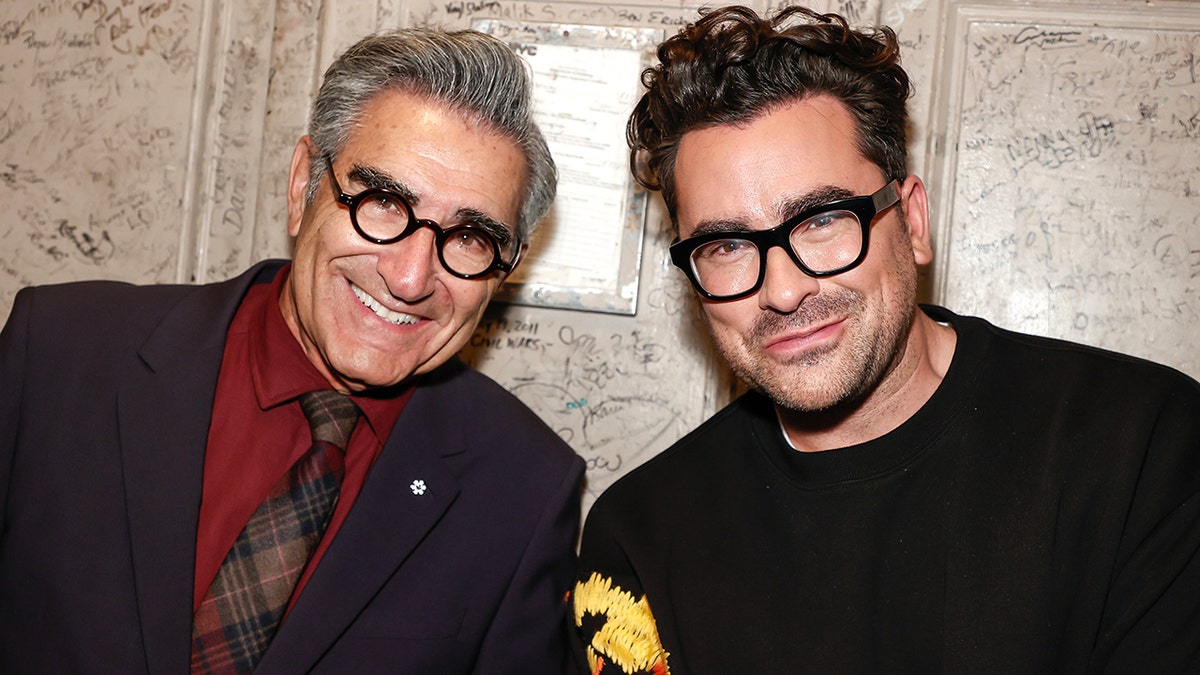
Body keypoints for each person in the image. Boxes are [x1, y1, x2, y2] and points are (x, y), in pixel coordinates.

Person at [570, 5, 1200, 673]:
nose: (783, 291)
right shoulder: (637, 534)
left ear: (914, 220)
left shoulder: (1143, 447)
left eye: (820, 220)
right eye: (726, 245)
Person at [0, 27, 584, 673]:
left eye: (471, 236)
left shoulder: (523, 490)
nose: (412, 278)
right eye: (385, 202)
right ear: (303, 183)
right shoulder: (59, 352)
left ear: (507, 266)